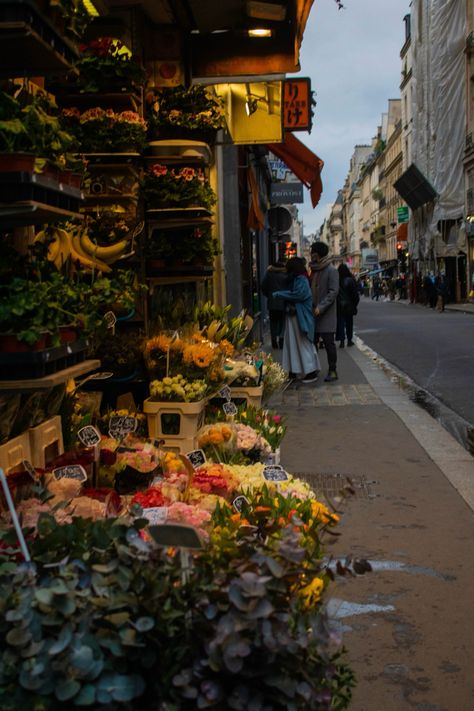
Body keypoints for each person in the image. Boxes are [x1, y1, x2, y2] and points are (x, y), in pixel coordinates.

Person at [272, 256, 320, 383]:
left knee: (302, 344)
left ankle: (310, 371)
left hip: (299, 318)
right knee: (291, 345)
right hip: (294, 318)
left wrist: (279, 294)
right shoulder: (296, 279)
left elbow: (299, 295)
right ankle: (294, 370)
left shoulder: (301, 280)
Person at [309, 241, 339, 382]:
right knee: (312, 343)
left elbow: (333, 292)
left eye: (312, 252)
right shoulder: (314, 270)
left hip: (325, 314)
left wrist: (320, 307)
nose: (310, 254)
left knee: (328, 343)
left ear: (318, 253)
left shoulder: (331, 270)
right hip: (313, 314)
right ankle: (313, 369)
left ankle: (332, 370)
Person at [261, 259, 287, 348]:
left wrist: (268, 295)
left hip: (272, 302)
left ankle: (273, 340)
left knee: (273, 322)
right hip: (283, 302)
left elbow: (263, 286)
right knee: (282, 322)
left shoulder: (269, 274)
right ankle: (281, 340)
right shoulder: (285, 274)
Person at [336, 263, 359, 348]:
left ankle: (342, 341)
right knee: (349, 323)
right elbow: (355, 294)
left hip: (339, 305)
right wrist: (354, 304)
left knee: (341, 323)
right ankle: (349, 340)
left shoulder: (337, 280)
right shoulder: (350, 280)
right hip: (349, 305)